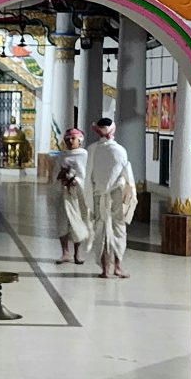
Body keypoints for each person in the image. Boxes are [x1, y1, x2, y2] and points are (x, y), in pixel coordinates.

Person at [84, 118, 138, 279]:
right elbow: (127, 174)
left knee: (101, 230)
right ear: (113, 130)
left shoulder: (92, 149)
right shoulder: (120, 150)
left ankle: (105, 269)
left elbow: (88, 175)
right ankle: (118, 267)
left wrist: (89, 197)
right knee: (118, 230)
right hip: (116, 195)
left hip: (98, 195)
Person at [50, 128, 89, 264]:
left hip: (78, 195)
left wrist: (75, 180)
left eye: (73, 138)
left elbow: (86, 175)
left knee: (77, 221)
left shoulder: (84, 155)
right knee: (62, 222)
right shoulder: (62, 155)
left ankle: (77, 253)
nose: (70, 141)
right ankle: (65, 252)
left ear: (80, 140)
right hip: (63, 193)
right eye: (67, 139)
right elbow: (55, 173)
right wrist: (61, 177)